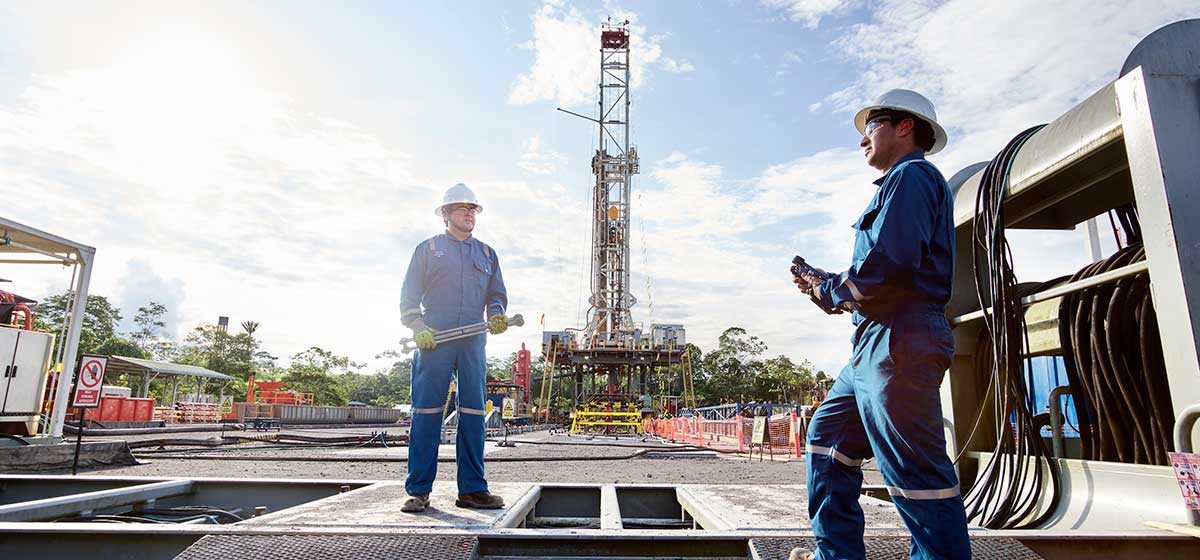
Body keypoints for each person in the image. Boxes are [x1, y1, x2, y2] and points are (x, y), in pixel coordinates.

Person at [790, 90, 970, 560]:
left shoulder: (912, 178)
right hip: (875, 343)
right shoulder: (899, 184)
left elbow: (890, 267)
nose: (861, 140)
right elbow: (879, 271)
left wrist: (830, 290)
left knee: (916, 477)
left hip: (901, 341)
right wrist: (822, 285)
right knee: (827, 441)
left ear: (904, 126)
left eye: (870, 127)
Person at [399, 183, 509, 513]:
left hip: (474, 338)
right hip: (435, 338)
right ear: (446, 214)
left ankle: (473, 490)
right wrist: (418, 328)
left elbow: (496, 296)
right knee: (427, 413)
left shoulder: (487, 254)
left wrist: (497, 314)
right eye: (463, 209)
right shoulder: (428, 249)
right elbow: (408, 298)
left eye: (473, 209)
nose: (469, 213)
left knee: (474, 413)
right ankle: (418, 490)